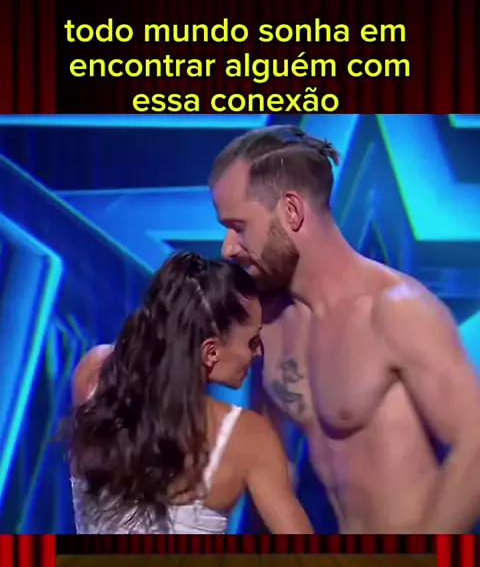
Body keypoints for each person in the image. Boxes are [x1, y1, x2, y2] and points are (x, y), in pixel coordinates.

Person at [208, 125, 480, 534]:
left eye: (239, 226)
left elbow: (475, 447)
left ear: (292, 211)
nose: (228, 247)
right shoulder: (268, 324)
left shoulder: (397, 311)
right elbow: (274, 465)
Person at [67, 251, 313, 535]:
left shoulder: (95, 374)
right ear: (210, 352)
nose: (258, 353)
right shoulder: (246, 437)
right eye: (252, 341)